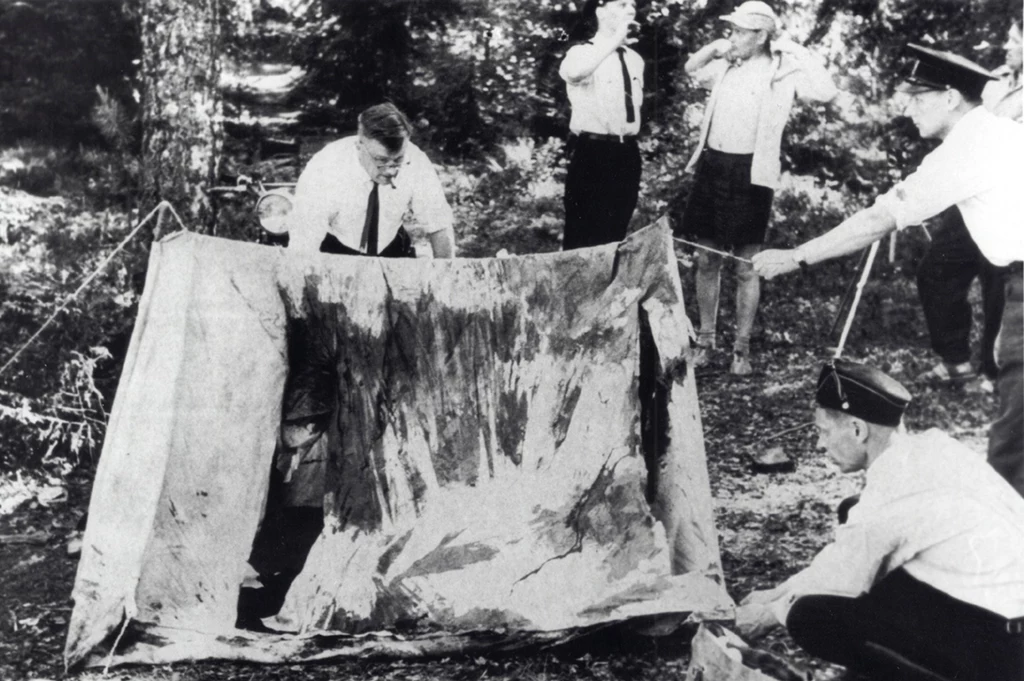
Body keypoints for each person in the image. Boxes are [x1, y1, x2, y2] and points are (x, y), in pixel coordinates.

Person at [752, 44, 1024, 498]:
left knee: (1016, 440)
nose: (906, 108)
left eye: (918, 98)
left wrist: (798, 254)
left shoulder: (967, 149)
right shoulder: (1000, 132)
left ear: (951, 98)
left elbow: (879, 219)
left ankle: (1002, 550)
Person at [736, 359, 1024, 681]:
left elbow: (843, 575)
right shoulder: (931, 448)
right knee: (852, 509)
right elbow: (848, 553)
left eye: (823, 432)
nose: (820, 444)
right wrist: (776, 591)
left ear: (858, 430)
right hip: (1002, 609)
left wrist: (771, 611)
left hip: (1003, 646)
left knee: (808, 615)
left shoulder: (895, 486)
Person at [675, 1, 836, 375]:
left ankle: (741, 351)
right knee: (706, 258)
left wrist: (796, 49)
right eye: (731, 30)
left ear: (761, 35)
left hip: (752, 172)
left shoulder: (783, 69)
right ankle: (706, 340)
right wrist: (714, 48)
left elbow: (826, 92)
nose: (731, 36)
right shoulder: (727, 63)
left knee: (747, 265)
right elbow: (690, 69)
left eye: (739, 31)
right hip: (714, 164)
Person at [916, 22, 1021, 386]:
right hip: (972, 194)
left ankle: (994, 372)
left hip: (1011, 202)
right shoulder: (994, 81)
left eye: (1015, 40)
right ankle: (954, 361)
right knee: (937, 269)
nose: (1006, 45)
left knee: (1000, 285)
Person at [288, 103, 455, 258]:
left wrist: (445, 281)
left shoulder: (415, 160)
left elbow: (439, 224)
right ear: (359, 145)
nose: (391, 170)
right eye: (381, 160)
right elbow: (304, 243)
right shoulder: (325, 168)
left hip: (391, 246)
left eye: (398, 160)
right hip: (336, 249)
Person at [559, 0, 644, 250]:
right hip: (593, 153)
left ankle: (608, 289)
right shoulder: (582, 52)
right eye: (621, 4)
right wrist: (613, 42)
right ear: (600, 12)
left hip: (626, 153)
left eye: (633, 5)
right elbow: (574, 73)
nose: (630, 10)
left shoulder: (635, 59)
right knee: (581, 237)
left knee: (615, 235)